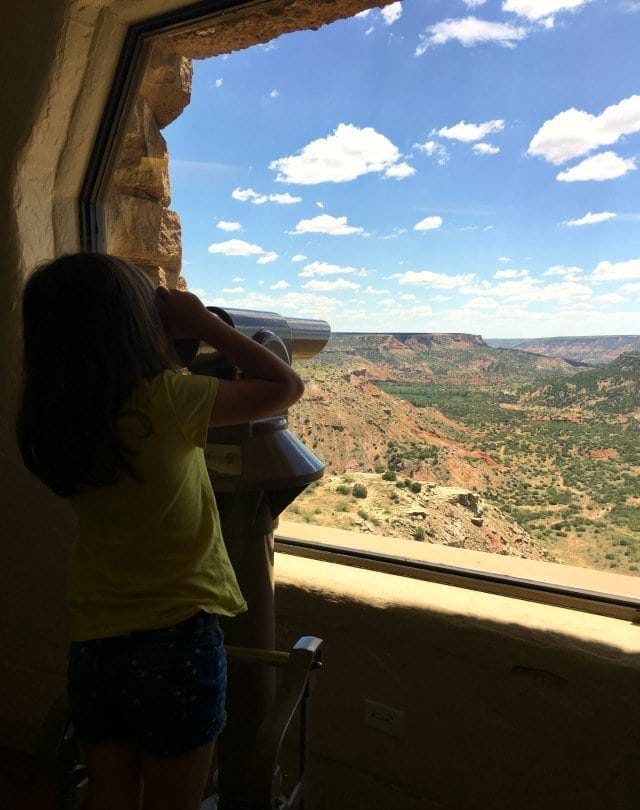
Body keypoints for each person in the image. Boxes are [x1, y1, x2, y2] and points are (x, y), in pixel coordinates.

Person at [16, 253, 304, 810]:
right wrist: (203, 324)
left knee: (111, 795)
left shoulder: (57, 415)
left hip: (96, 636)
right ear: (133, 329)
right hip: (176, 641)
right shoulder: (168, 403)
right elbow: (283, 384)